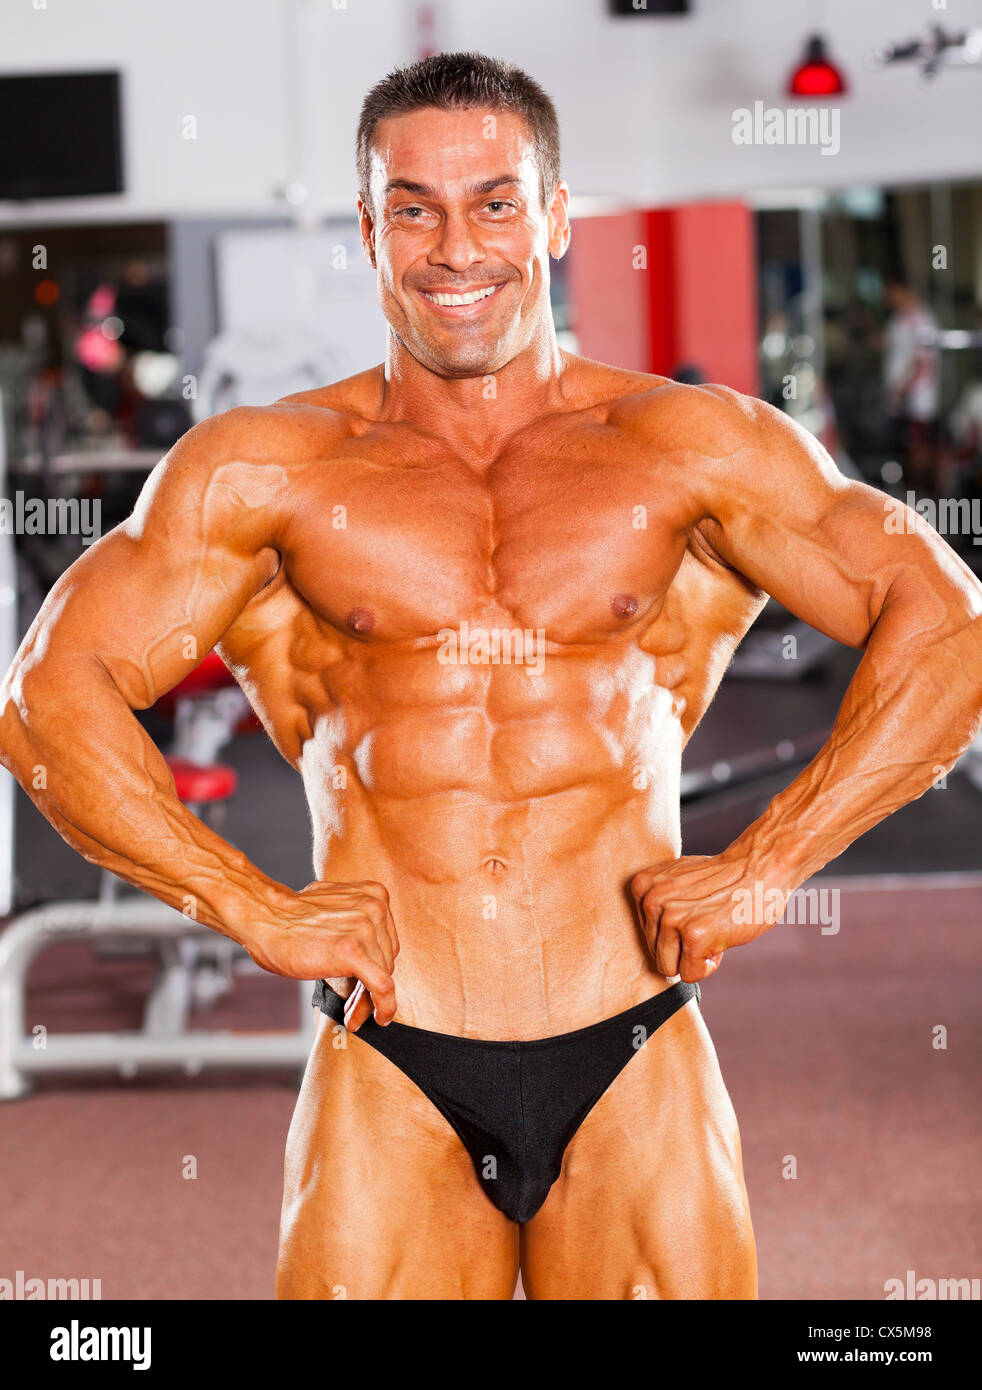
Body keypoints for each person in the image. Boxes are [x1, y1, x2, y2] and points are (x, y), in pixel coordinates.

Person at [1, 53, 980, 1301]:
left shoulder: (687, 448)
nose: (455, 247)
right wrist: (251, 908)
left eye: (496, 201)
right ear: (368, 228)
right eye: (412, 206)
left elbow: (949, 619)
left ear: (558, 214)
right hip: (392, 1054)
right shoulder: (265, 471)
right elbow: (45, 699)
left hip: (632, 1041)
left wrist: (766, 864)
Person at [882, 276, 941, 491]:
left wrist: (905, 390)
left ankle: (923, 489)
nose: (888, 299)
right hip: (900, 396)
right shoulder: (898, 319)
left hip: (917, 398)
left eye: (890, 294)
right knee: (905, 445)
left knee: (917, 445)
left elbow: (922, 362)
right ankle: (910, 489)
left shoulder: (921, 319)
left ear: (901, 290)